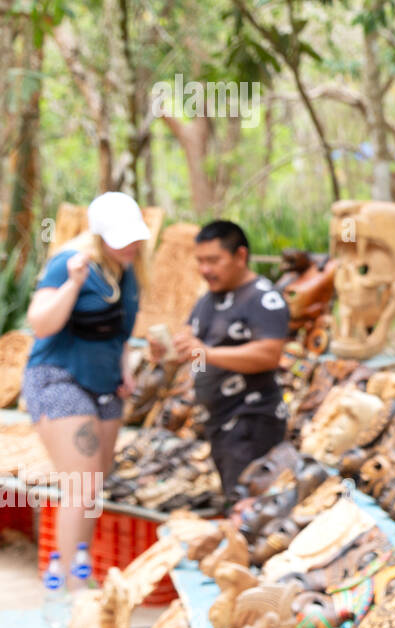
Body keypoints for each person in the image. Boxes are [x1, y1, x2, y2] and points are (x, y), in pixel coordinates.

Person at [23, 192, 150, 565]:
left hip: (105, 385)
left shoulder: (130, 271)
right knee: (80, 485)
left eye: (134, 236)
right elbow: (41, 323)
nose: (130, 245)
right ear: (99, 237)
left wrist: (125, 370)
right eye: (120, 238)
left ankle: (80, 569)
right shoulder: (69, 263)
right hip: (59, 378)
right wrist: (73, 285)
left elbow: (119, 335)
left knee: (93, 486)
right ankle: (63, 585)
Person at [154, 220, 288, 504]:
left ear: (240, 256)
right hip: (218, 425)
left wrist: (207, 352)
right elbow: (195, 351)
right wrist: (169, 350)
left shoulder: (263, 298)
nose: (205, 269)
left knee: (250, 507)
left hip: (251, 423)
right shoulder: (207, 301)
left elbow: (269, 354)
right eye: (200, 261)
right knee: (234, 501)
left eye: (213, 260)